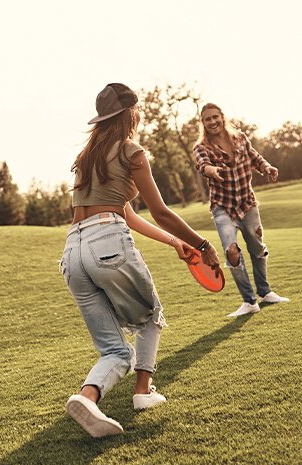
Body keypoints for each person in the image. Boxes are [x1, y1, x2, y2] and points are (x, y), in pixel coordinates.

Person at [61, 83, 221, 437]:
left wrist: (175, 242)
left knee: (114, 350)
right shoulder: (132, 151)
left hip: (73, 252)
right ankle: (143, 392)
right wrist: (202, 244)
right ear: (130, 114)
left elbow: (127, 213)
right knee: (150, 315)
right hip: (107, 242)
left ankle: (86, 398)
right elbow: (160, 211)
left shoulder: (87, 158)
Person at [192, 103, 289, 317]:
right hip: (223, 206)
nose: (212, 122)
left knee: (257, 247)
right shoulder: (201, 147)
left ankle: (265, 292)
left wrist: (267, 167)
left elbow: (255, 158)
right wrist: (211, 170)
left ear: (222, 117)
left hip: (247, 202)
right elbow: (202, 165)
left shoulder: (240, 138)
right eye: (207, 119)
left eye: (215, 117)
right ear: (203, 123)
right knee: (232, 251)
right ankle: (249, 301)